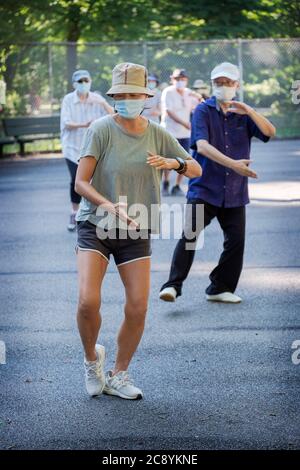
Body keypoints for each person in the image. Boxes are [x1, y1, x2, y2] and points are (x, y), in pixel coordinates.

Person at [74, 62, 202, 400]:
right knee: (88, 301)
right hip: (97, 223)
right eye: (123, 94)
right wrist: (107, 205)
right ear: (115, 96)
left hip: (136, 226)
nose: (129, 99)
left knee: (138, 306)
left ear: (145, 97)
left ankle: (119, 374)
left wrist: (173, 163)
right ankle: (91, 361)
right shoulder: (101, 129)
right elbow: (80, 182)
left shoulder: (157, 133)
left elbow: (195, 169)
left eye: (135, 94)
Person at [159, 62, 276, 304]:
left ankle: (219, 288)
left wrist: (250, 110)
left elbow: (269, 132)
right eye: (218, 83)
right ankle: (172, 285)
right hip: (205, 187)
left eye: (228, 83)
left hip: (234, 191)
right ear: (213, 85)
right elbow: (201, 146)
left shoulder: (242, 114)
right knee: (190, 236)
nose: (223, 87)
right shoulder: (202, 110)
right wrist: (233, 164)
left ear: (237, 85)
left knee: (236, 241)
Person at [60, 69, 113, 231]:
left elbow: (113, 115)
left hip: (92, 148)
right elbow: (67, 123)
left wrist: (103, 103)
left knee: (95, 181)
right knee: (77, 180)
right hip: (72, 148)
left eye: (86, 80)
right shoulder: (68, 100)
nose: (84, 84)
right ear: (74, 84)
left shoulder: (97, 98)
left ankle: (94, 213)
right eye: (80, 81)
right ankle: (74, 212)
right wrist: (85, 124)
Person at [160, 69, 195, 196]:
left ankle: (177, 186)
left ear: (186, 80)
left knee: (185, 160)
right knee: (168, 159)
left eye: (183, 79)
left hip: (185, 133)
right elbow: (169, 111)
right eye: (177, 79)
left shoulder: (189, 93)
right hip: (170, 131)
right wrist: (184, 123)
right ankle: (166, 183)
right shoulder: (168, 91)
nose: (180, 81)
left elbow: (198, 106)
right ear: (172, 79)